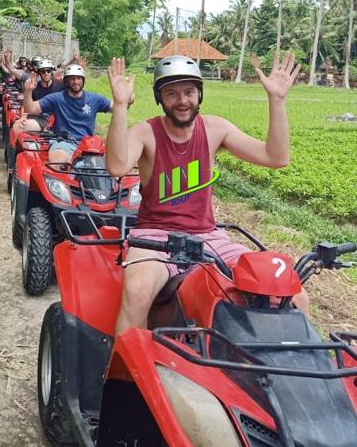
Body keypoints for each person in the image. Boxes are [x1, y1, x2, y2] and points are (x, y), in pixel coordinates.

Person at [105, 53, 309, 337]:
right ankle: (125, 376)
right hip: (154, 237)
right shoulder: (146, 132)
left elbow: (276, 157)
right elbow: (116, 166)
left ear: (199, 94)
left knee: (292, 294)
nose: (182, 100)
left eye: (189, 92)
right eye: (171, 93)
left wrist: (277, 99)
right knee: (137, 292)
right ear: (159, 98)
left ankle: (290, 371)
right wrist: (119, 106)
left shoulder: (215, 129)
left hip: (208, 237)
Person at [23, 63, 119, 164]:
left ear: (83, 80)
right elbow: (30, 109)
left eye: (79, 78)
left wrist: (124, 99)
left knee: (110, 165)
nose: (76, 82)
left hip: (89, 144)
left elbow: (117, 108)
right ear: (66, 81)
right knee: (57, 161)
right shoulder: (57, 98)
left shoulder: (95, 99)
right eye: (72, 79)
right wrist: (28, 91)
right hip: (63, 142)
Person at [11, 59, 64, 136]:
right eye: (43, 71)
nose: (46, 73)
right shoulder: (34, 87)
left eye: (48, 71)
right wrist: (23, 117)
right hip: (41, 119)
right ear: (39, 73)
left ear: (52, 72)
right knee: (17, 126)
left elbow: (75, 89)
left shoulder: (61, 84)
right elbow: (26, 106)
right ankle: (14, 147)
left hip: (59, 119)